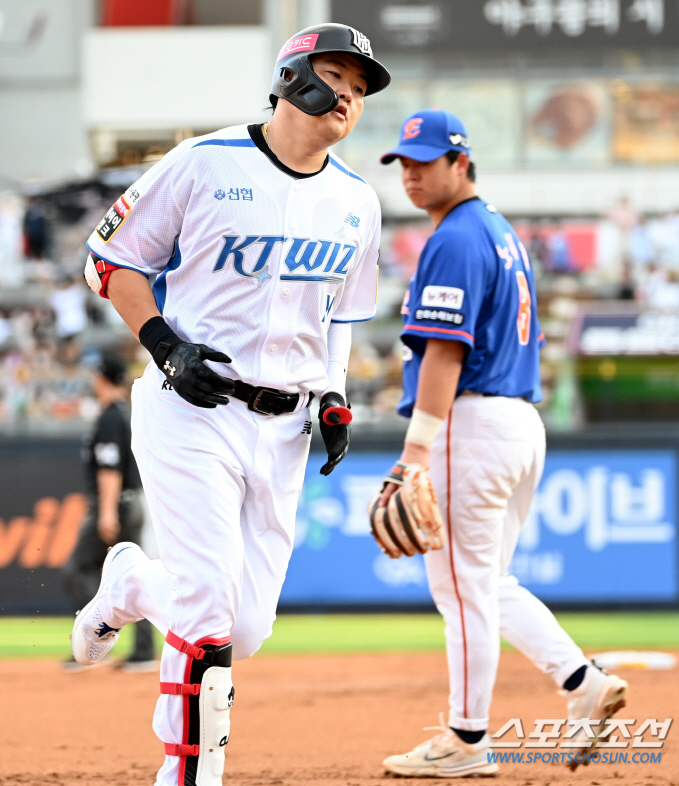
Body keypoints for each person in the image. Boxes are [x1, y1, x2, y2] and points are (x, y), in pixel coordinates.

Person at [71, 23, 389, 786]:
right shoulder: (204, 162)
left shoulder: (357, 200)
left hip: (283, 428)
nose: (349, 92)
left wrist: (337, 393)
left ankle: (132, 586)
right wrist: (162, 343)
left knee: (246, 627)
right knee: (211, 613)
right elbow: (105, 261)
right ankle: (190, 770)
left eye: (361, 84)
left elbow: (342, 318)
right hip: (193, 408)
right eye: (336, 74)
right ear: (292, 77)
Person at [377, 110, 628, 777]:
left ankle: (466, 740)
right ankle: (584, 683)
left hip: (474, 424)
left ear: (462, 164)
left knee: (462, 593)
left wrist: (415, 454)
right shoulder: (497, 231)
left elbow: (442, 353)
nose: (410, 173)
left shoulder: (457, 237)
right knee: (486, 584)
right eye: (403, 163)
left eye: (424, 162)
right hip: (517, 423)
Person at [62, 352, 156, 672]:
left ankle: (94, 638)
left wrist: (106, 512)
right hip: (133, 503)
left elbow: (109, 469)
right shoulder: (127, 413)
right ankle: (143, 651)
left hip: (117, 505)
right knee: (137, 575)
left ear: (103, 378)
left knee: (76, 569)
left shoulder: (110, 417)